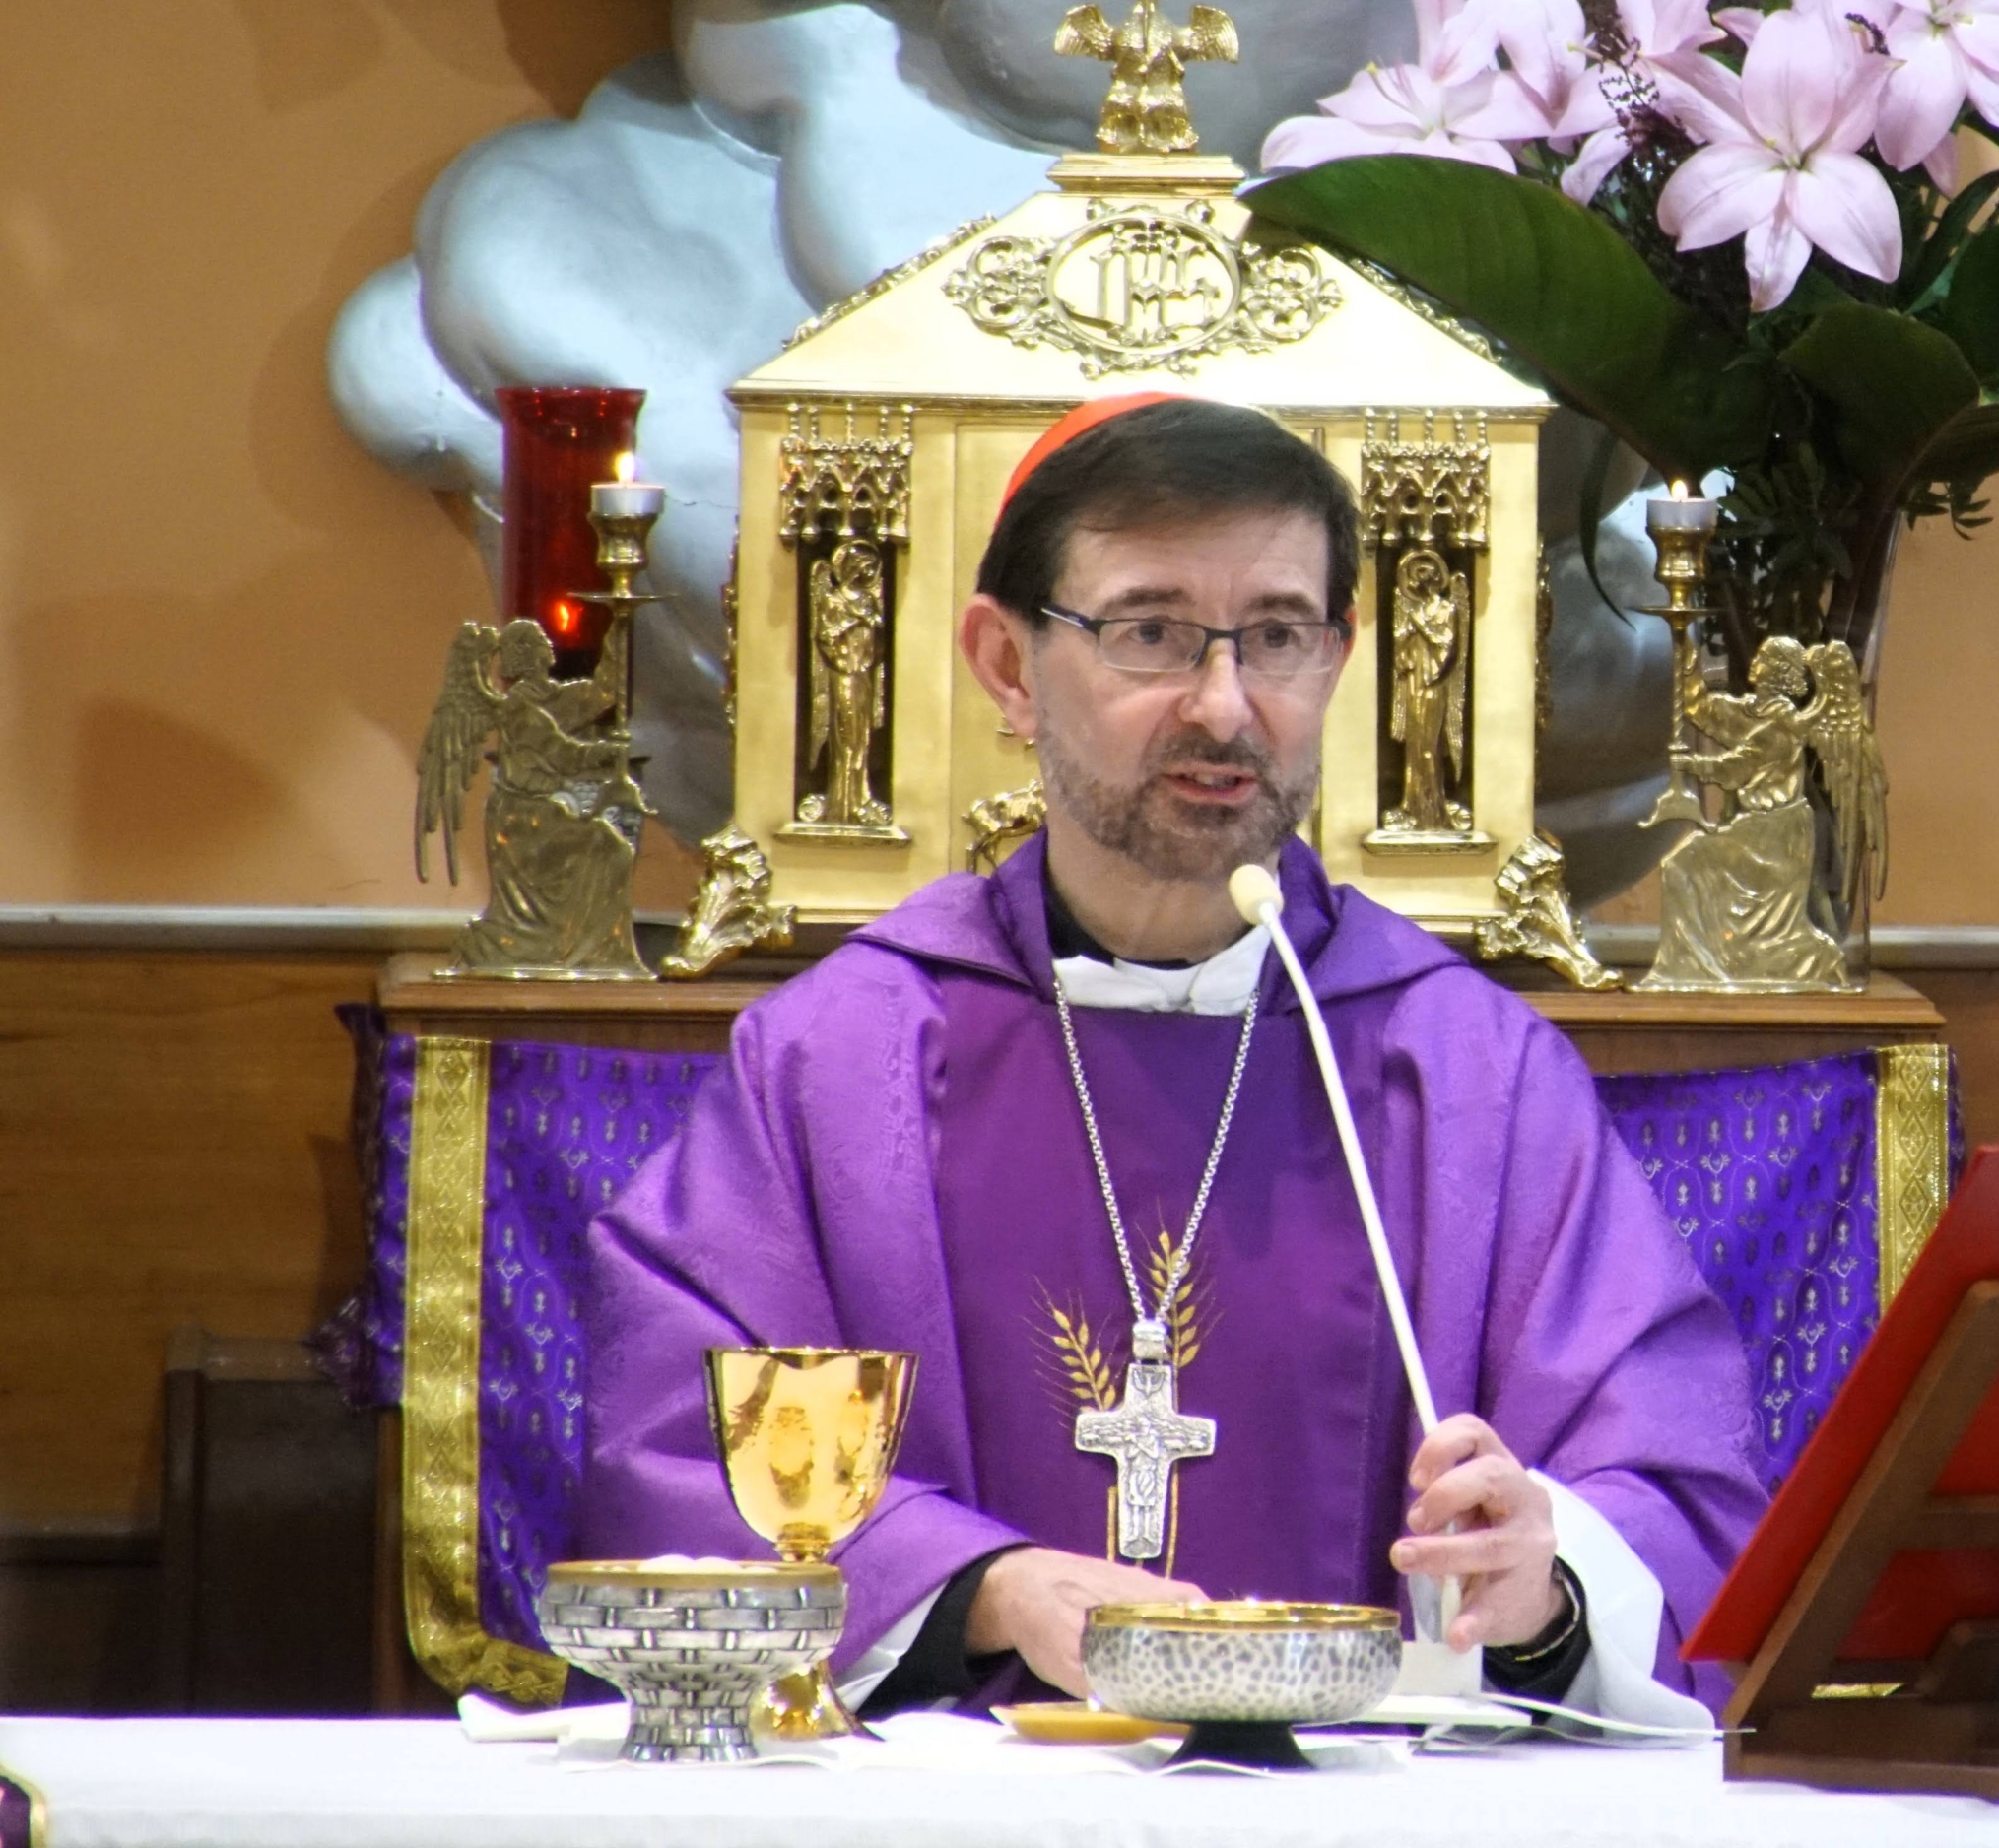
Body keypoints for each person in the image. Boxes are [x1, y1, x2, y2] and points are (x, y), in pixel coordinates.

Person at [582, 395, 1766, 1721]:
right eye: (1149, 632)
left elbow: (1669, 1487)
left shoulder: (1466, 1072)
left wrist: (1544, 1580)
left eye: (1277, 636)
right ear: (1008, 665)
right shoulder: (838, 1060)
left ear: (1339, 659)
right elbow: (679, 1456)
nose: (1223, 705)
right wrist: (977, 1587)